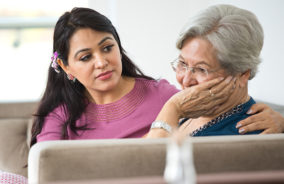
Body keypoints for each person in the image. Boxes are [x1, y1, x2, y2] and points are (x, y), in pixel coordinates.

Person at [30, 7, 239, 145]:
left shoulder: (161, 94)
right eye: (85, 57)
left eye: (107, 48)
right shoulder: (60, 114)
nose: (102, 62)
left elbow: (220, 114)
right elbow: (45, 170)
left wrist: (271, 119)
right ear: (65, 66)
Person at [146, 4, 284, 138]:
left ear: (242, 73)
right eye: (182, 63)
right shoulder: (193, 109)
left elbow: (147, 159)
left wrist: (172, 108)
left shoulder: (244, 134)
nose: (186, 80)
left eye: (201, 69)